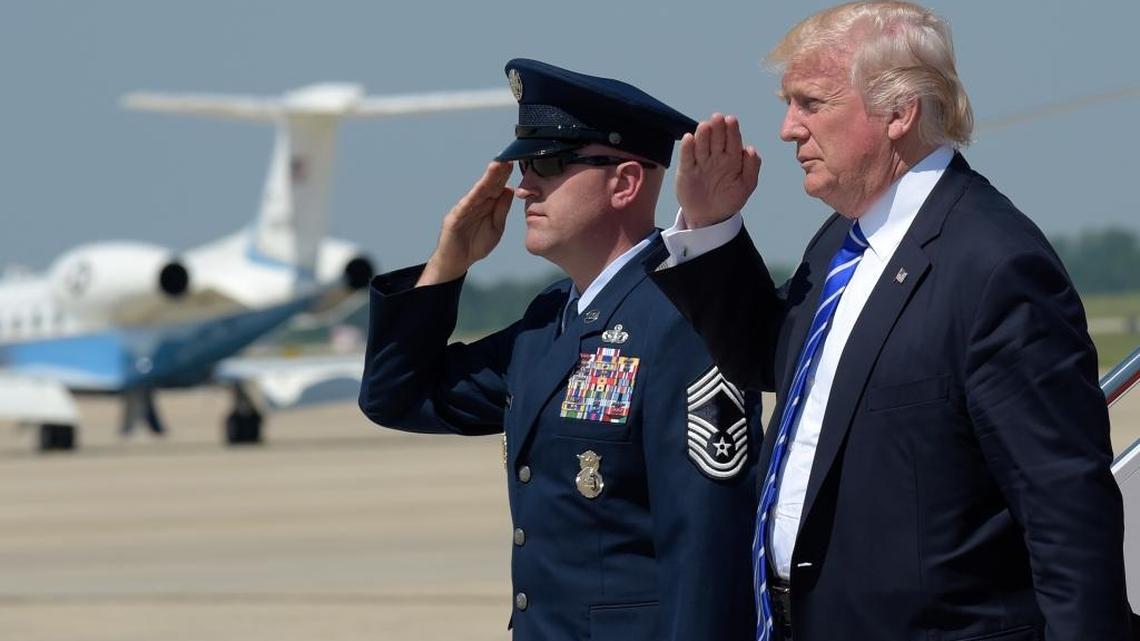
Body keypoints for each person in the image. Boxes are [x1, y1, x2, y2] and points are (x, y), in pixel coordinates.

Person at [650, 3, 1133, 640]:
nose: (789, 128)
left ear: (898, 113)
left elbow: (1067, 510)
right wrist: (711, 227)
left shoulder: (994, 268)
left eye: (811, 102)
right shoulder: (840, 244)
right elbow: (777, 361)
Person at [359, 58, 759, 641]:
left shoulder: (683, 320)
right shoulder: (549, 321)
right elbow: (397, 397)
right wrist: (449, 263)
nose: (525, 186)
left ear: (624, 182)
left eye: (548, 163)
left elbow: (706, 550)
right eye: (525, 165)